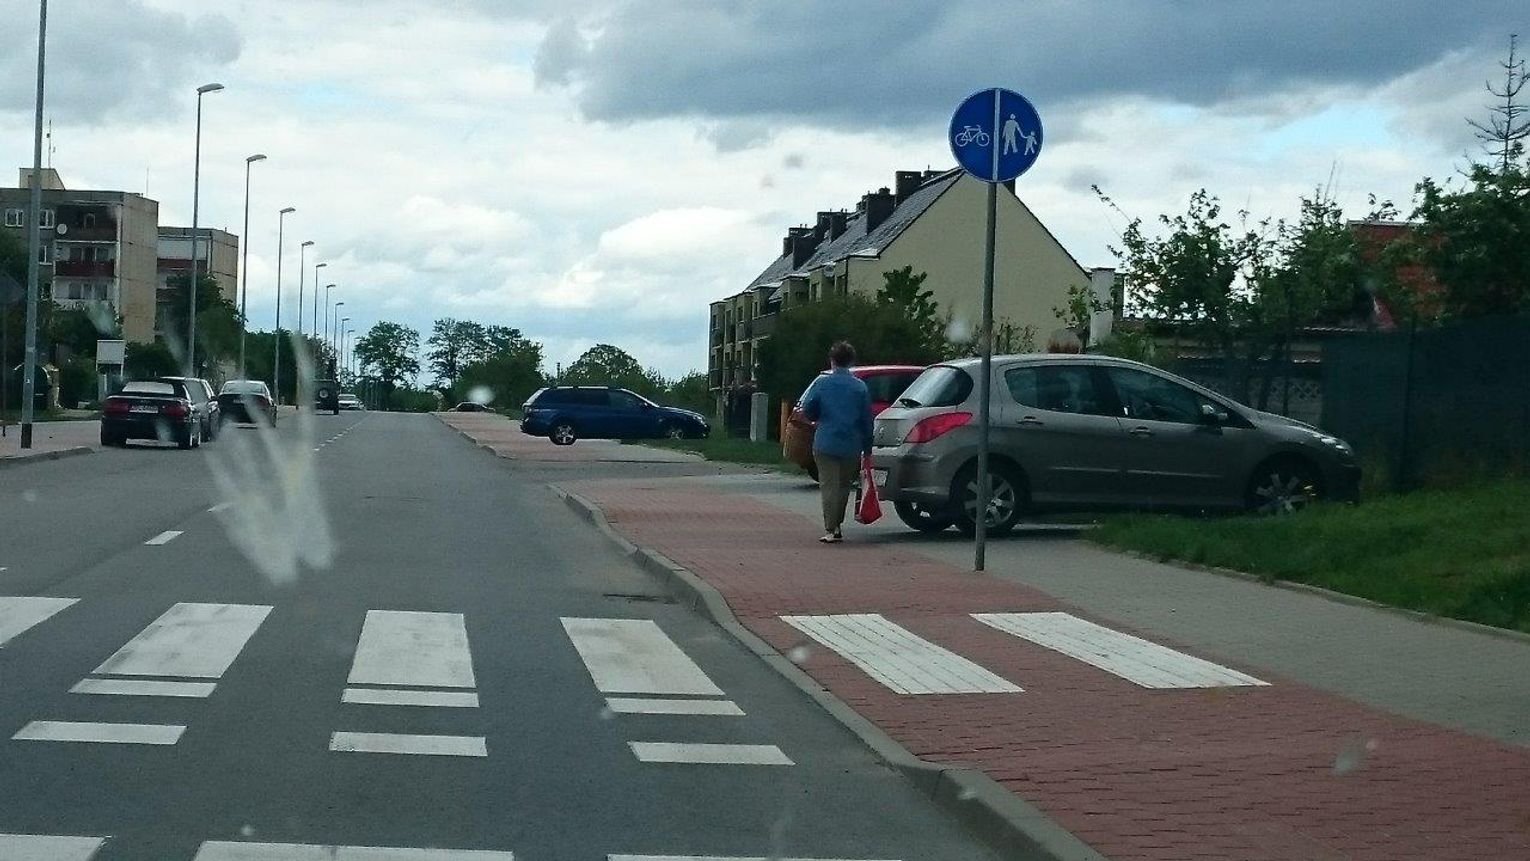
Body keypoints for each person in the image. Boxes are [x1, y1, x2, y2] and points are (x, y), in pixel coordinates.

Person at [798, 340, 873, 543]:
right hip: (851, 443)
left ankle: (831, 528)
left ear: (832, 360)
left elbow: (808, 409)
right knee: (843, 486)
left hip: (826, 441)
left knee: (828, 485)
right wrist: (868, 447)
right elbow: (866, 419)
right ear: (851, 361)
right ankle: (837, 523)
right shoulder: (860, 387)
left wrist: (818, 417)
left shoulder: (822, 384)